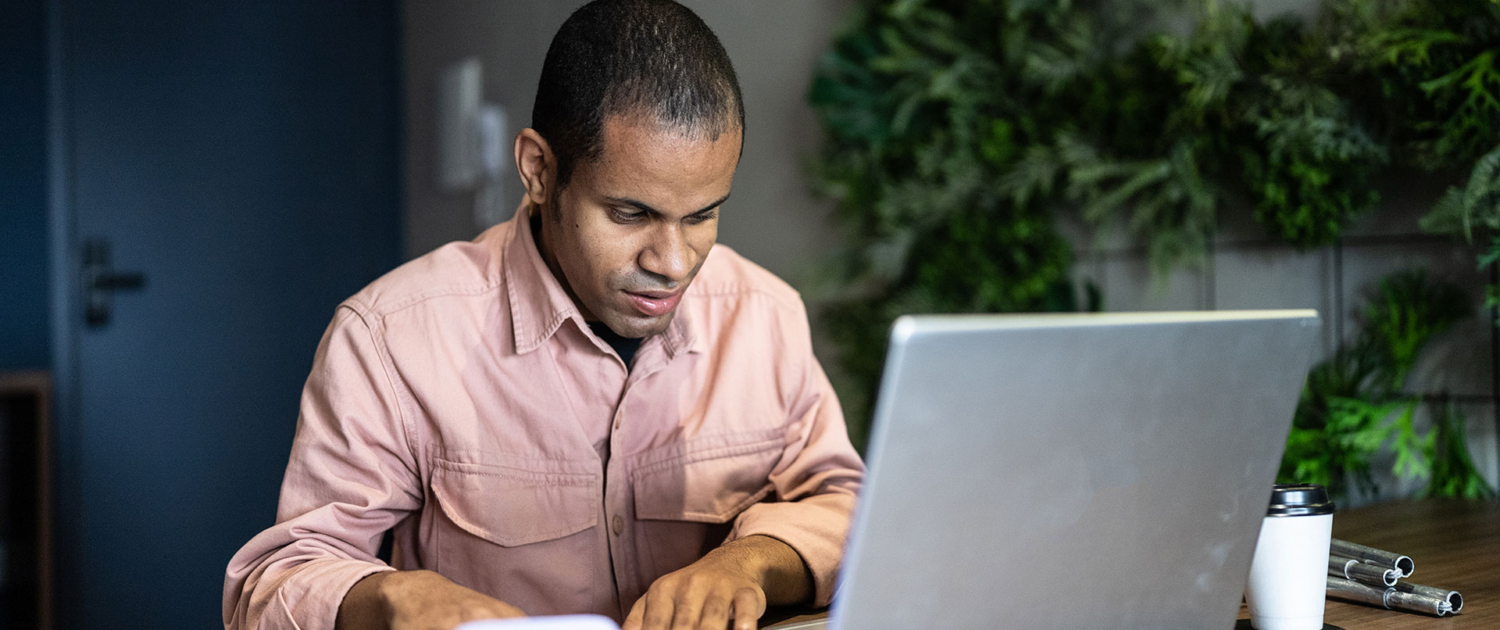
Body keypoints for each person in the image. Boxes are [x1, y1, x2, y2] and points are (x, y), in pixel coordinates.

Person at [222, 2, 865, 629]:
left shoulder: (764, 316)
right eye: (630, 214)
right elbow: (272, 586)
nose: (673, 261)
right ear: (538, 170)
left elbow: (851, 507)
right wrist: (395, 598)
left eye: (701, 216)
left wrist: (748, 564)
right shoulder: (390, 337)